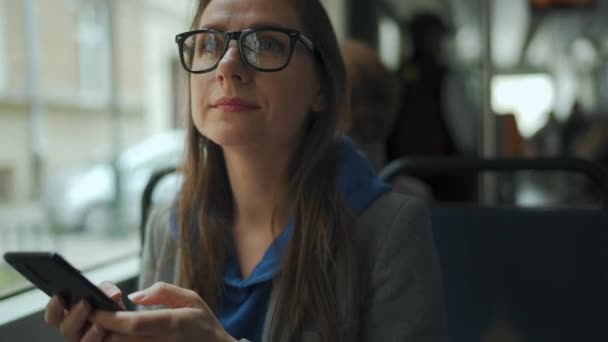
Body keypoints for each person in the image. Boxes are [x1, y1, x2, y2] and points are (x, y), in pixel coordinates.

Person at [44, 0, 447, 341]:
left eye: (267, 44)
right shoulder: (168, 226)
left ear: (320, 87)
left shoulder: (390, 229)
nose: (228, 66)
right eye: (209, 44)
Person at [387, 12, 476, 202]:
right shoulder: (447, 78)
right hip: (444, 178)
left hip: (403, 172)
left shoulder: (396, 77)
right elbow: (465, 135)